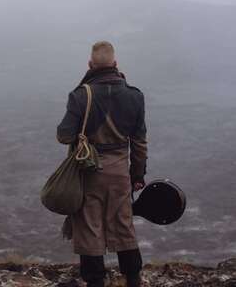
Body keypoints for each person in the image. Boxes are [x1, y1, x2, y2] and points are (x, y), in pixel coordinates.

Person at [56, 41, 148, 287]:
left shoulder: (79, 96)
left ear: (90, 65)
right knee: (124, 227)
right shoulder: (135, 96)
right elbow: (139, 143)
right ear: (116, 65)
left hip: (89, 173)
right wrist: (137, 175)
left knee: (89, 229)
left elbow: (64, 135)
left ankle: (96, 282)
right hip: (119, 174)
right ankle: (133, 279)